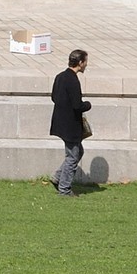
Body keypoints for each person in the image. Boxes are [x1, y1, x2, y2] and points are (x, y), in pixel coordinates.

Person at [49, 47, 91, 195]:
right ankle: (64, 189)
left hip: (60, 122)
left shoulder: (60, 76)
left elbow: (54, 97)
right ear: (80, 63)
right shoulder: (73, 80)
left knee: (78, 151)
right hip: (70, 125)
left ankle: (58, 177)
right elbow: (77, 105)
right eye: (85, 62)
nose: (86, 64)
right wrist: (88, 105)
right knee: (73, 156)